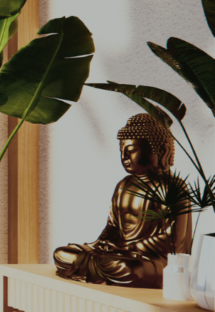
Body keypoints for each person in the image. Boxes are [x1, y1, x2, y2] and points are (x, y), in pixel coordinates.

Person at [53, 113, 192, 289]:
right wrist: (104, 242)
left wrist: (131, 247)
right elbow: (113, 226)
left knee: (131, 270)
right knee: (63, 254)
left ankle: (94, 270)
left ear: (162, 151)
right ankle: (94, 268)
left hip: (154, 260)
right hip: (118, 253)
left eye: (132, 150)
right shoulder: (124, 185)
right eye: (122, 150)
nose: (125, 155)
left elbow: (175, 239)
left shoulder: (172, 187)